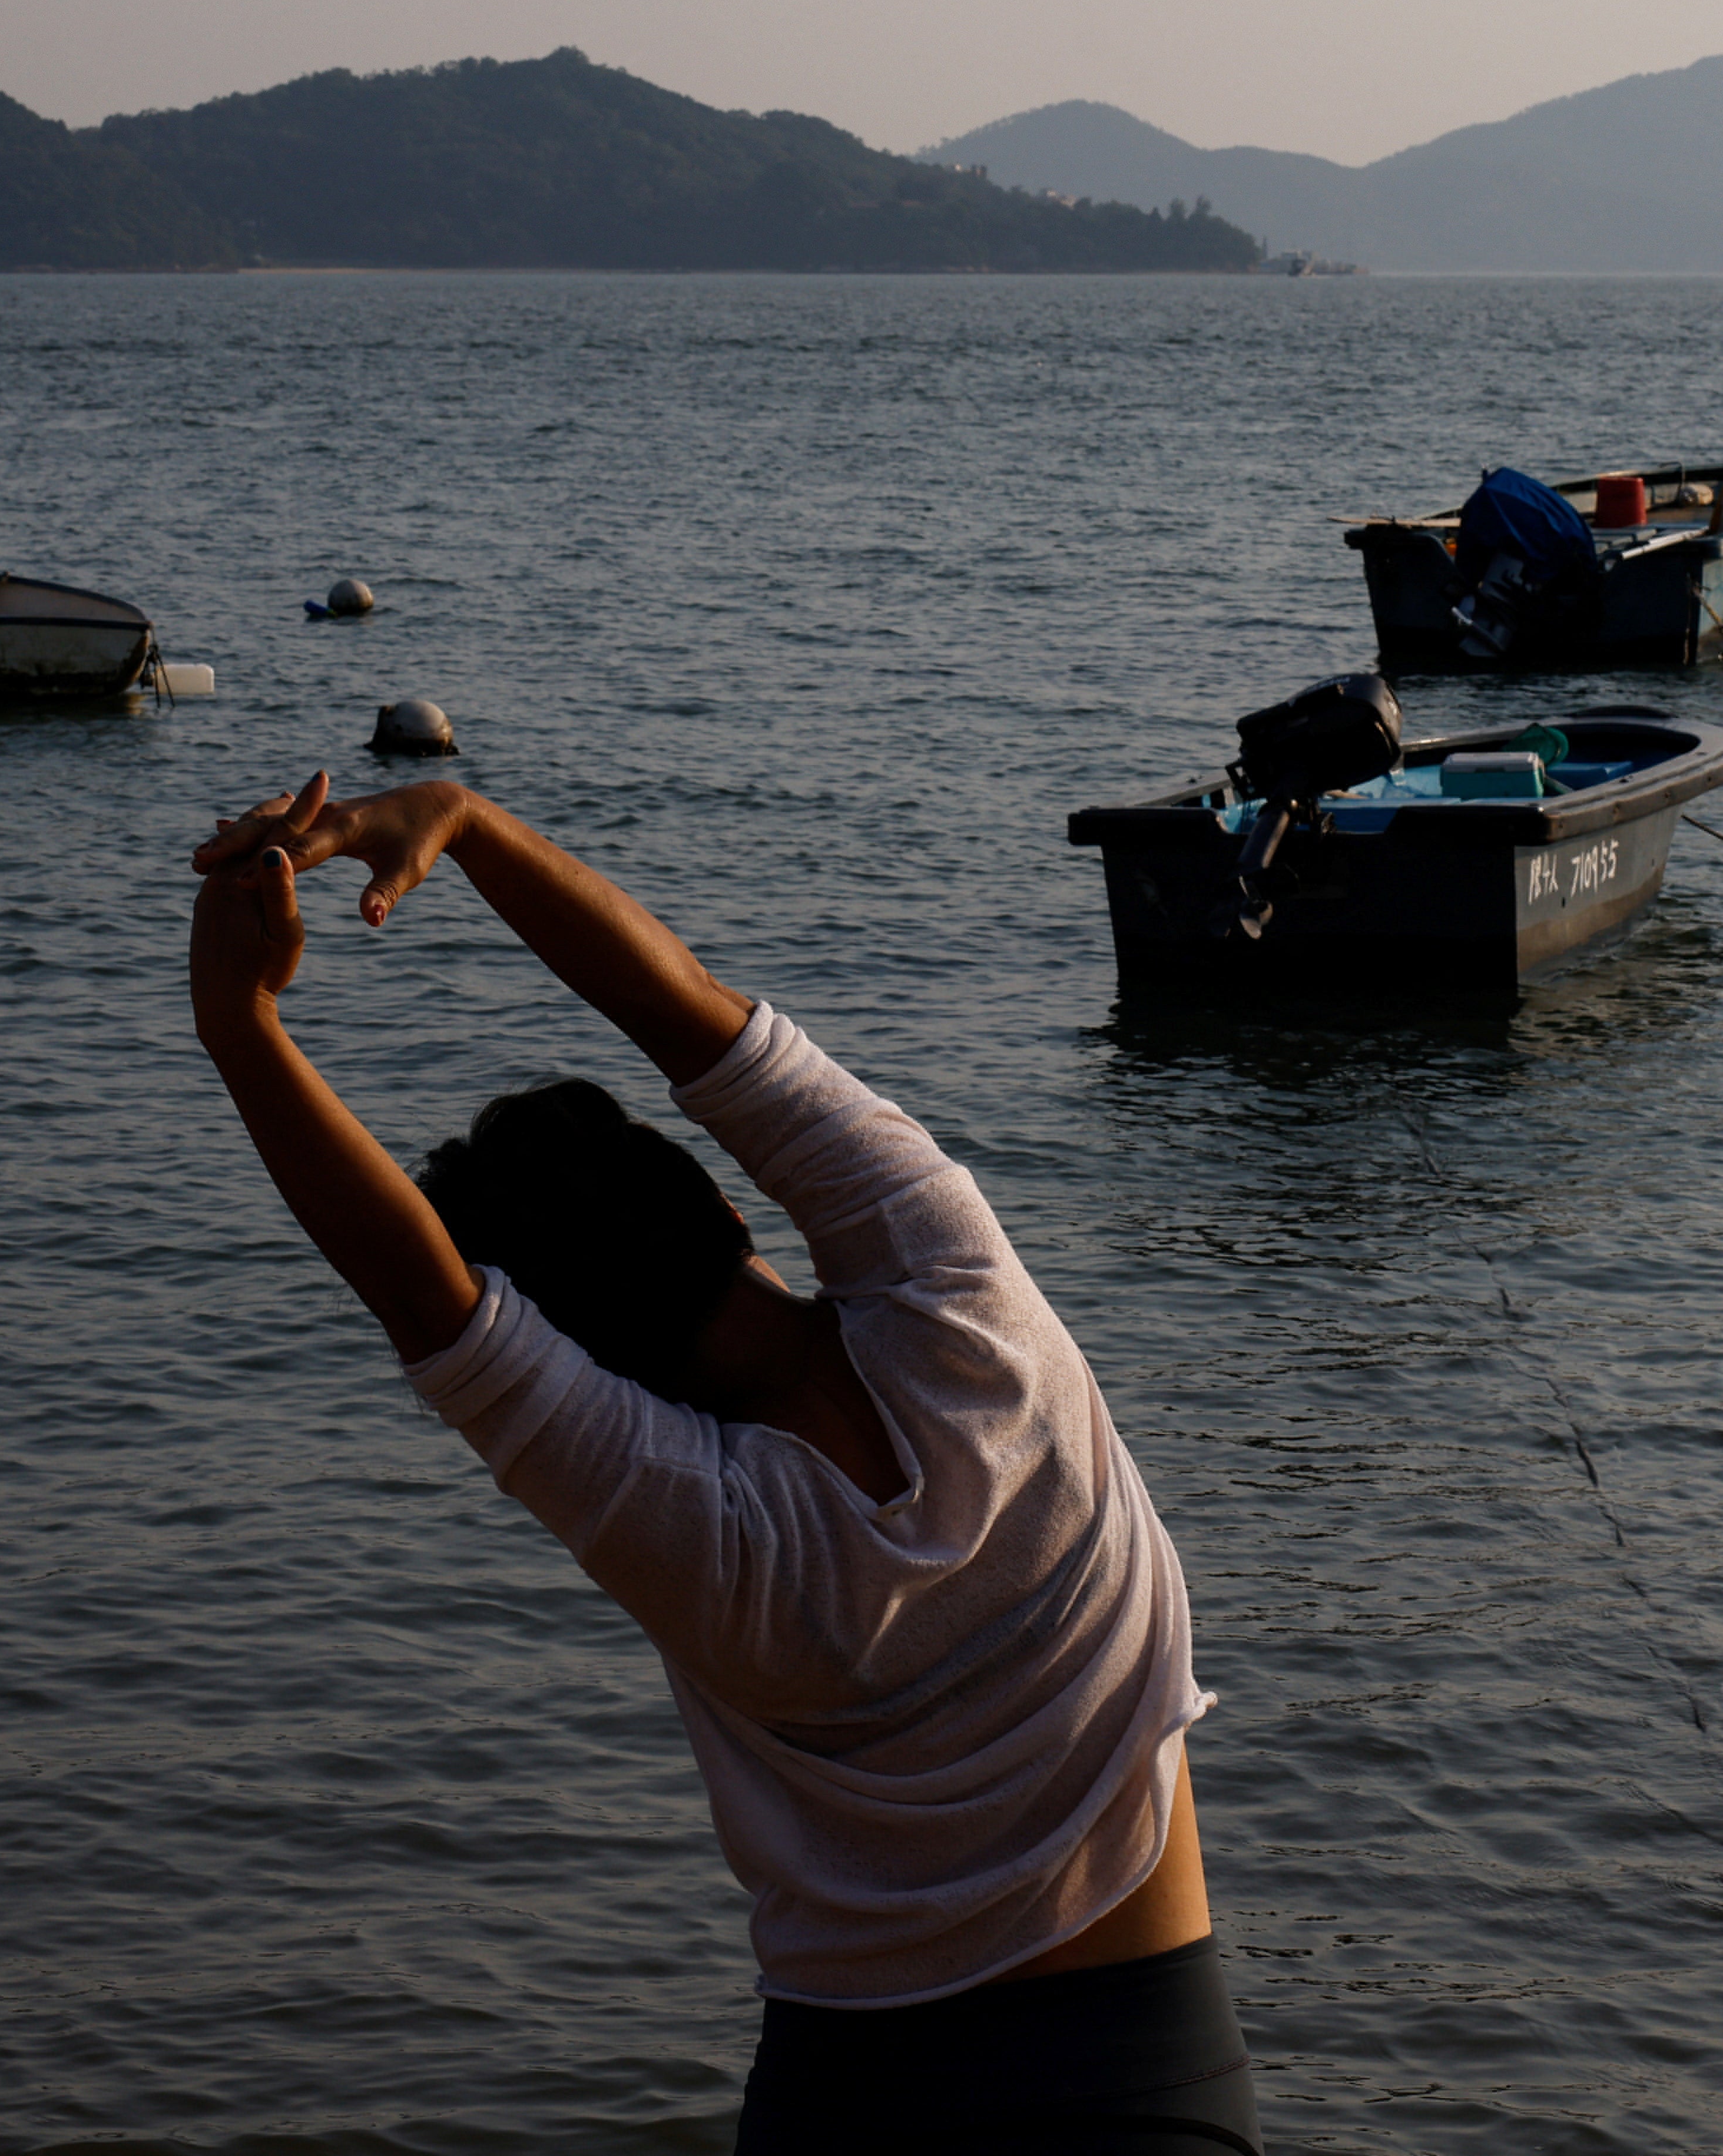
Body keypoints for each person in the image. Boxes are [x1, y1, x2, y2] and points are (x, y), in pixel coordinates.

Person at [187, 773, 1257, 2154]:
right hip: (1143, 2081)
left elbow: (435, 1308)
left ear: (584, 1364)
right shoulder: (977, 1318)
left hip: (849, 2102)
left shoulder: (708, 1543)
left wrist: (239, 1019)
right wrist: (465, 821)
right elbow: (693, 1019)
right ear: (727, 1196)